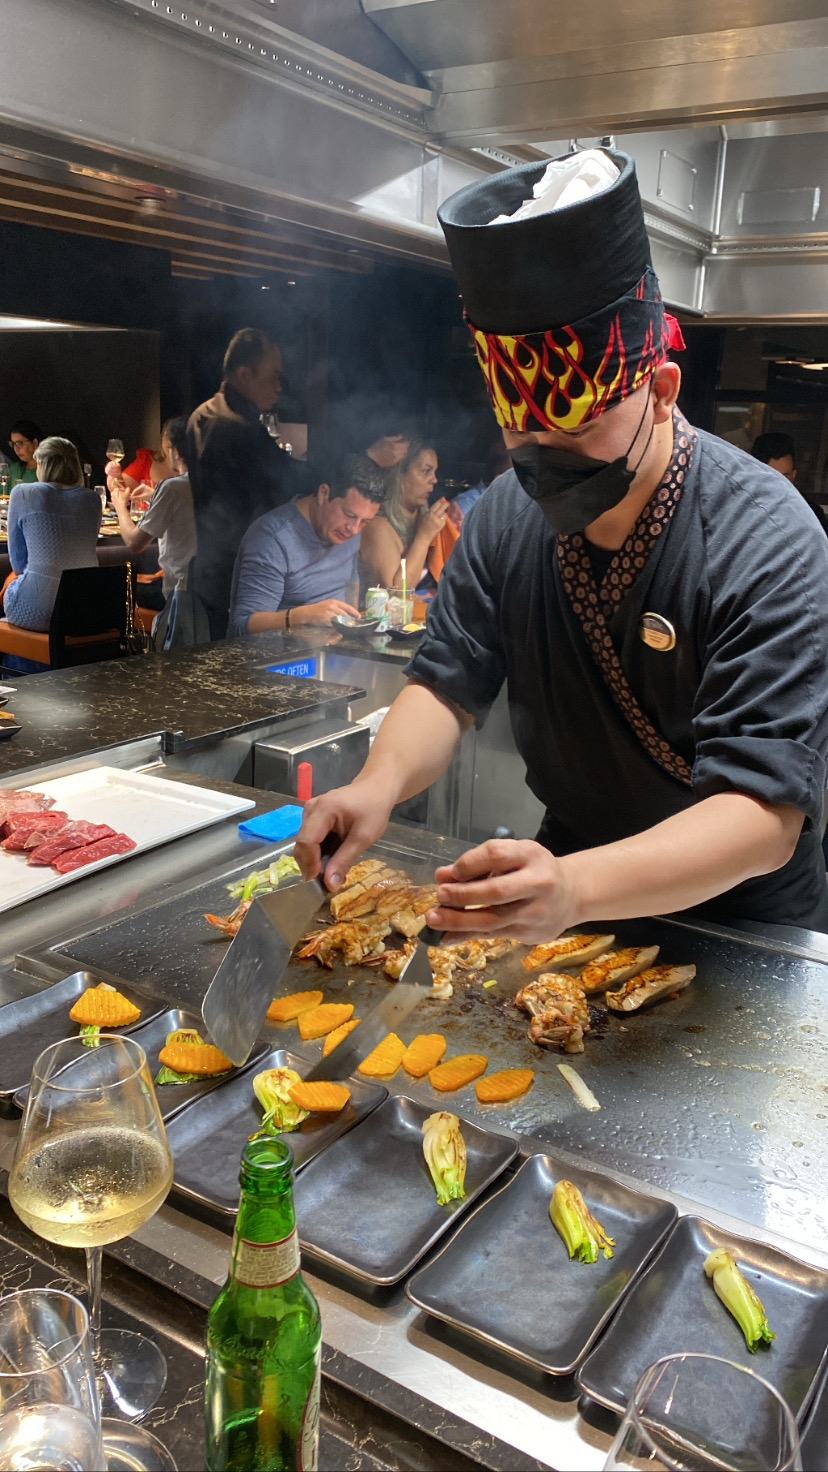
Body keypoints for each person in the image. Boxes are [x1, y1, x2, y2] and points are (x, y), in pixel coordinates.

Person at [295, 147, 828, 936]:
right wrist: (376, 787)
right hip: (567, 880)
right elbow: (446, 683)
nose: (542, 453)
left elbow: (763, 815)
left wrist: (575, 889)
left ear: (661, 390)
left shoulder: (766, 536)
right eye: (521, 424)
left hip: (739, 914)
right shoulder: (508, 517)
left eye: (575, 423)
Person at [187, 328, 311, 639]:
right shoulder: (233, 426)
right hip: (235, 570)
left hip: (209, 566)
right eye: (273, 376)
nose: (279, 386)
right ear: (244, 374)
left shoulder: (201, 414)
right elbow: (281, 484)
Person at [229, 454, 385, 635]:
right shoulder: (273, 539)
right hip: (276, 656)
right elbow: (244, 624)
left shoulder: (347, 532)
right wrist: (305, 615)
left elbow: (351, 590)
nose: (354, 529)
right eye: (349, 515)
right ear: (323, 493)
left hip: (331, 649)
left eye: (365, 521)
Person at [3, 437, 100, 631]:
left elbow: (19, 564)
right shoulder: (93, 499)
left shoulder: (23, 493)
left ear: (41, 464)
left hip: (36, 610)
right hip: (85, 609)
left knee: (9, 586)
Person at [109, 416, 195, 605]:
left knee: (112, 590)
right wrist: (155, 495)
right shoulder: (212, 482)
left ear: (175, 450)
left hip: (177, 593)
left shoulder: (172, 487)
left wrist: (120, 506)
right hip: (208, 587)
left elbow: (134, 543)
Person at [358, 441, 449, 591]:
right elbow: (397, 593)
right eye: (426, 471)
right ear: (398, 477)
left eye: (434, 472)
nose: (434, 480)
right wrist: (423, 537)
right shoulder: (376, 526)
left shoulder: (427, 520)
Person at [752, 432, 828, 533]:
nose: (780, 485)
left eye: (785, 477)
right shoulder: (741, 512)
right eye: (772, 478)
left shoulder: (811, 515)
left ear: (793, 475)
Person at [105, 421, 177, 502]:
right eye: (167, 436)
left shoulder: (193, 466)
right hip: (141, 514)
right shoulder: (147, 459)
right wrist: (114, 475)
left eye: (177, 437)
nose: (171, 441)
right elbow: (122, 490)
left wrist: (154, 495)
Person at [7, 421, 43, 490]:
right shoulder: (13, 469)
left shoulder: (49, 471)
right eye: (13, 444)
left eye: (19, 443)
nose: (16, 449)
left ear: (35, 443)